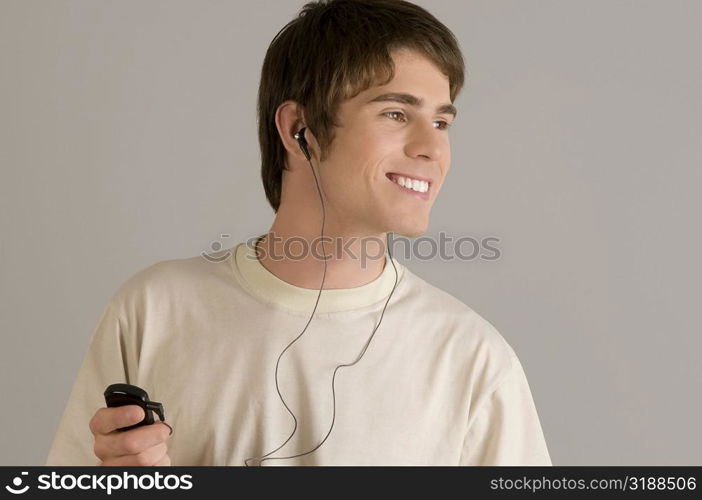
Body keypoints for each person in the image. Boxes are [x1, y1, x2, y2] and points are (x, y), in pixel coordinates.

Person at [45, 0, 552, 466]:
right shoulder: (153, 311)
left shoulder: (473, 360)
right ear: (298, 130)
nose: (432, 149)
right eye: (396, 113)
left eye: (442, 123)